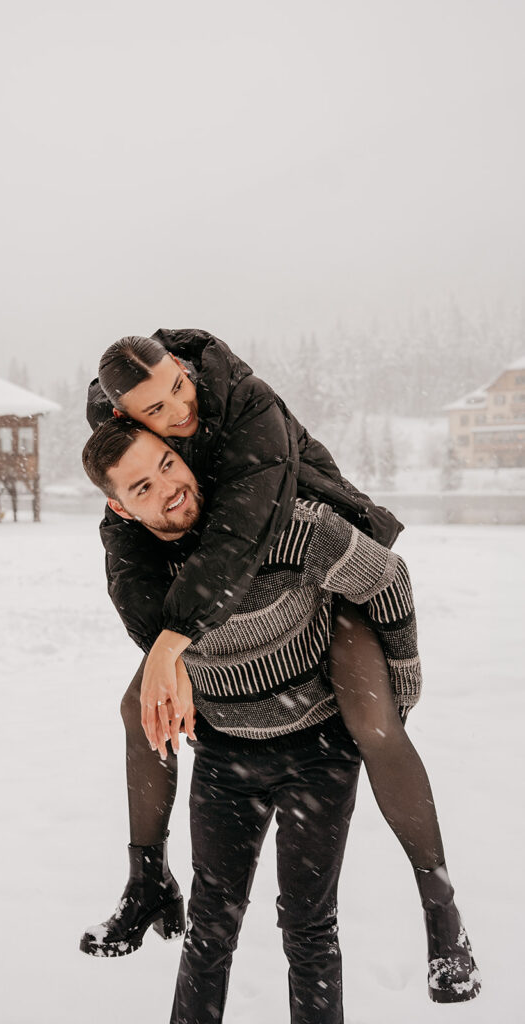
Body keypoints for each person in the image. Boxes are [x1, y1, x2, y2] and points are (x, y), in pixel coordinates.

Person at [81, 329, 480, 1003]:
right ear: (129, 419)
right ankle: (146, 876)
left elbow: (249, 523)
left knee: (374, 721)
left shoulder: (245, 406)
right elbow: (127, 565)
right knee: (137, 705)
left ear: (183, 367)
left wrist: (401, 690)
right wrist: (161, 647)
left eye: (179, 388)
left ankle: (441, 911)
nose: (178, 411)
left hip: (322, 558)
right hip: (229, 698)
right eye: (156, 410)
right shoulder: (135, 471)